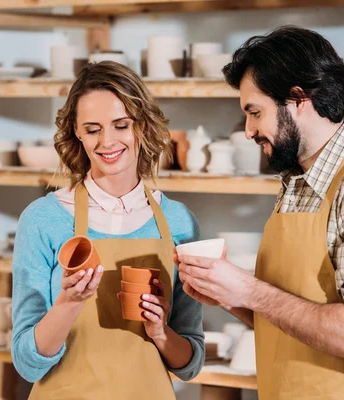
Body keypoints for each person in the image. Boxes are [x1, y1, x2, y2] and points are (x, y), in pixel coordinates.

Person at [177, 26, 344, 399]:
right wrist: (228, 295)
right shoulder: (300, 182)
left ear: (298, 99)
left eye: (255, 112)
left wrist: (249, 290)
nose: (248, 130)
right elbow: (294, 315)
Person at [11, 61, 204, 399]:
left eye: (121, 125)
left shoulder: (179, 223)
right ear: (76, 131)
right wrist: (69, 302)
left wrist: (159, 332)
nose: (108, 141)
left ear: (142, 126)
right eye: (93, 128)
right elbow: (27, 363)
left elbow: (189, 363)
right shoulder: (43, 219)